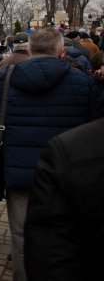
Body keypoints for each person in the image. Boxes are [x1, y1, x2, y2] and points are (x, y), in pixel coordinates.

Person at [0, 27, 104, 281]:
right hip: (72, 172)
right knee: (70, 233)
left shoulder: (5, 77)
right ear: (62, 51)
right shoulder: (83, 81)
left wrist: (1, 143)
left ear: (30, 50)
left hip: (19, 169)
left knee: (22, 237)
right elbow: (95, 126)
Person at [24, 117, 104, 280]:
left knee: (19, 229)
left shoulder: (73, 147)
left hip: (21, 166)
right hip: (61, 167)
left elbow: (52, 257)